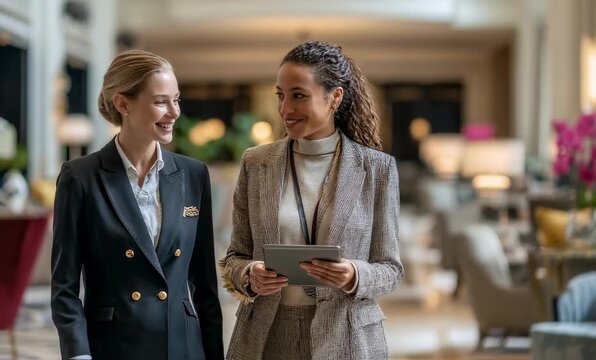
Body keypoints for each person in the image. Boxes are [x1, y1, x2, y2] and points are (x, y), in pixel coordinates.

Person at [220, 41, 403, 360]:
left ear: (335, 97)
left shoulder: (377, 168)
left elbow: (391, 269)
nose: (285, 109)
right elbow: (235, 255)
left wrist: (354, 275)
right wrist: (250, 273)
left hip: (346, 337)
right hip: (266, 334)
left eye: (298, 95)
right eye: (281, 95)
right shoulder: (256, 163)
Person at [51, 50, 224, 360]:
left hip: (182, 347)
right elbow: (64, 289)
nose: (174, 112)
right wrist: (78, 354)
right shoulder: (80, 177)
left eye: (177, 100)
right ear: (123, 103)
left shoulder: (193, 174)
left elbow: (205, 287)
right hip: (113, 347)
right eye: (161, 102)